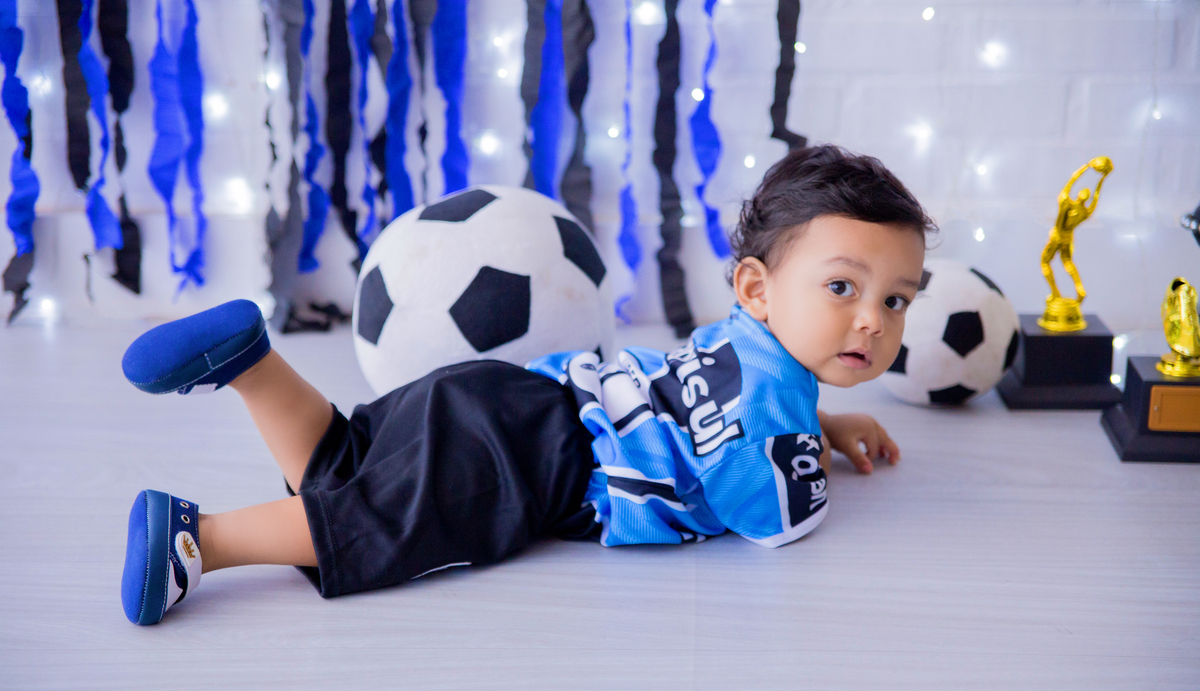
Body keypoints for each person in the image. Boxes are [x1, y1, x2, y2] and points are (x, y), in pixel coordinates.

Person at [119, 144, 934, 626]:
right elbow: (771, 518)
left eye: (896, 300)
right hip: (540, 463)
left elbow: (731, 403)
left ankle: (252, 367)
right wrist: (807, 456)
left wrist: (819, 420)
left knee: (348, 460)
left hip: (506, 395)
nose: (872, 321)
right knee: (376, 522)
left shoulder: (745, 345)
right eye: (843, 289)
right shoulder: (774, 410)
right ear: (757, 289)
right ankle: (201, 540)